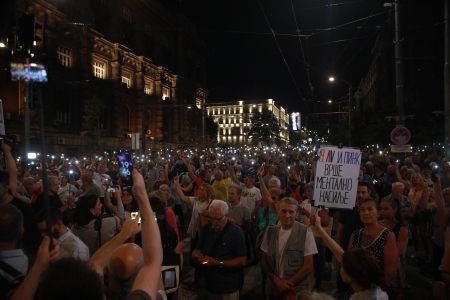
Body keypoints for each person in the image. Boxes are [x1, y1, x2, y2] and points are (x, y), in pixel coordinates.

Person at [11, 169, 164, 300]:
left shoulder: (75, 227)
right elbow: (152, 262)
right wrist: (142, 196)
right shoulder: (101, 228)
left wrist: (38, 267)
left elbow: (93, 265)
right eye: (98, 204)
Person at [313, 214, 389, 300]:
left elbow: (343, 258)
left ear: (348, 276)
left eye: (342, 266)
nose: (341, 261)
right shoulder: (376, 289)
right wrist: (319, 228)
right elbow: (341, 255)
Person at [261, 197, 316, 299]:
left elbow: (308, 266)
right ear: (278, 212)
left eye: (291, 212)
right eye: (284, 211)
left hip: (297, 291)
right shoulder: (270, 231)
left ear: (297, 214)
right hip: (274, 288)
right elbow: (264, 262)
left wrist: (285, 286)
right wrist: (276, 281)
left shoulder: (305, 232)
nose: (287, 215)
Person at [192, 200, 246, 300]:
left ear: (226, 216)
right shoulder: (207, 228)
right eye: (211, 218)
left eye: (217, 219)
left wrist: (218, 263)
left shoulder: (236, 232)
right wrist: (196, 256)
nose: (214, 222)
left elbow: (242, 261)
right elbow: (196, 250)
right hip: (206, 285)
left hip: (226, 287)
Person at [349, 197, 398, 298]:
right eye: (362, 209)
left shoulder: (387, 236)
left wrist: (370, 292)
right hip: (357, 291)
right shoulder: (355, 234)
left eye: (370, 209)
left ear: (378, 213)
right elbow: (348, 261)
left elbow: (391, 272)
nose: (366, 213)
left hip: (378, 292)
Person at [72, 191, 125, 256]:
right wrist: (119, 197)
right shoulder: (104, 224)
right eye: (99, 204)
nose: (101, 205)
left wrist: (106, 191)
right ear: (92, 210)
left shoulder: (74, 227)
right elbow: (121, 217)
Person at [379, 198, 408, 299]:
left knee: (395, 292)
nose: (382, 211)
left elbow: (399, 250)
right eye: (381, 208)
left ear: (394, 210)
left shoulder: (401, 229)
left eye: (386, 209)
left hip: (393, 263)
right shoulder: (377, 224)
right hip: (377, 263)